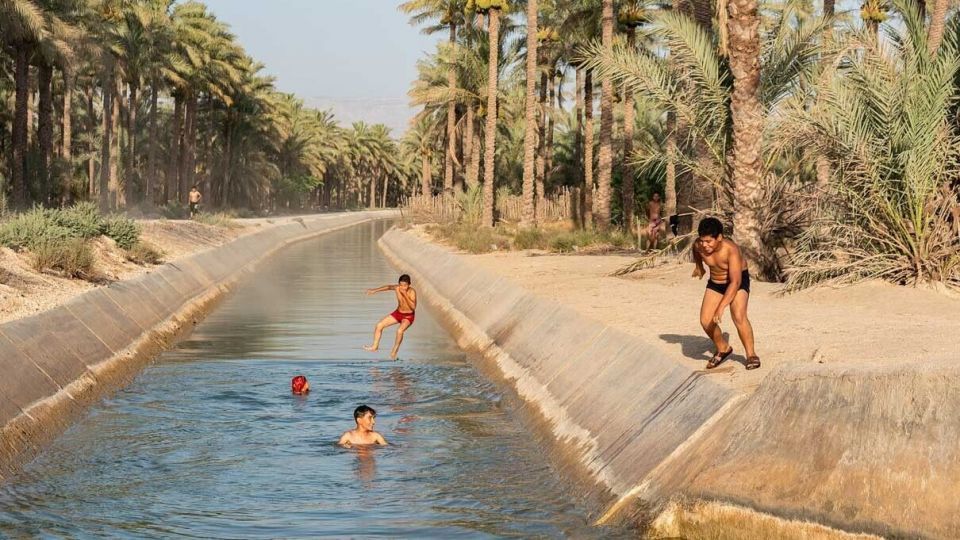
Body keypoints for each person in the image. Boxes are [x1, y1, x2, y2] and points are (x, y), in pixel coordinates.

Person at [692, 217, 761, 370]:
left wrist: (721, 306)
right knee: (705, 321)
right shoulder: (699, 245)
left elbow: (735, 282)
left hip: (737, 282)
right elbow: (696, 250)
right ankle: (723, 347)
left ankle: (751, 354)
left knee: (738, 315)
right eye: (703, 240)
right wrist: (699, 267)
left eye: (709, 241)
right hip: (716, 283)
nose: (705, 245)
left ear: (719, 238)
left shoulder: (731, 250)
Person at [363, 274, 417, 360]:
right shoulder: (397, 288)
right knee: (379, 325)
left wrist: (405, 295)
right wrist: (374, 290)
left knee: (399, 331)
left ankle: (394, 351)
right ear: (399, 284)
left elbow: (413, 307)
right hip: (398, 313)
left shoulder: (412, 292)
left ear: (409, 284)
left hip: (408, 316)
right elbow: (388, 287)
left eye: (405, 285)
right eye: (401, 285)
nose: (403, 287)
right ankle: (375, 346)